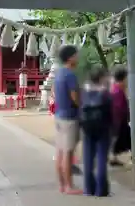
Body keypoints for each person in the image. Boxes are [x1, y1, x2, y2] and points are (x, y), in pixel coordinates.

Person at [54, 45, 82, 195]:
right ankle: (69, 186)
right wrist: (82, 106)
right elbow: (74, 96)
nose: (78, 58)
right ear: (70, 58)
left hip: (59, 115)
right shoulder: (70, 75)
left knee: (59, 152)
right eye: (76, 55)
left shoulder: (59, 73)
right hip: (69, 117)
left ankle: (62, 185)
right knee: (68, 153)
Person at [80, 67, 112, 197]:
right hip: (103, 128)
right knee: (101, 159)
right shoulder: (105, 93)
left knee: (88, 159)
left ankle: (88, 189)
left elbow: (79, 109)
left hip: (87, 128)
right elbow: (111, 112)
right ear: (101, 78)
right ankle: (101, 190)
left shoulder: (83, 92)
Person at [110, 65, 130, 166]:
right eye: (126, 78)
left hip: (119, 121)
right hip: (118, 121)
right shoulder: (117, 91)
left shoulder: (117, 89)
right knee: (125, 139)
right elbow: (118, 109)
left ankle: (113, 158)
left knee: (119, 140)